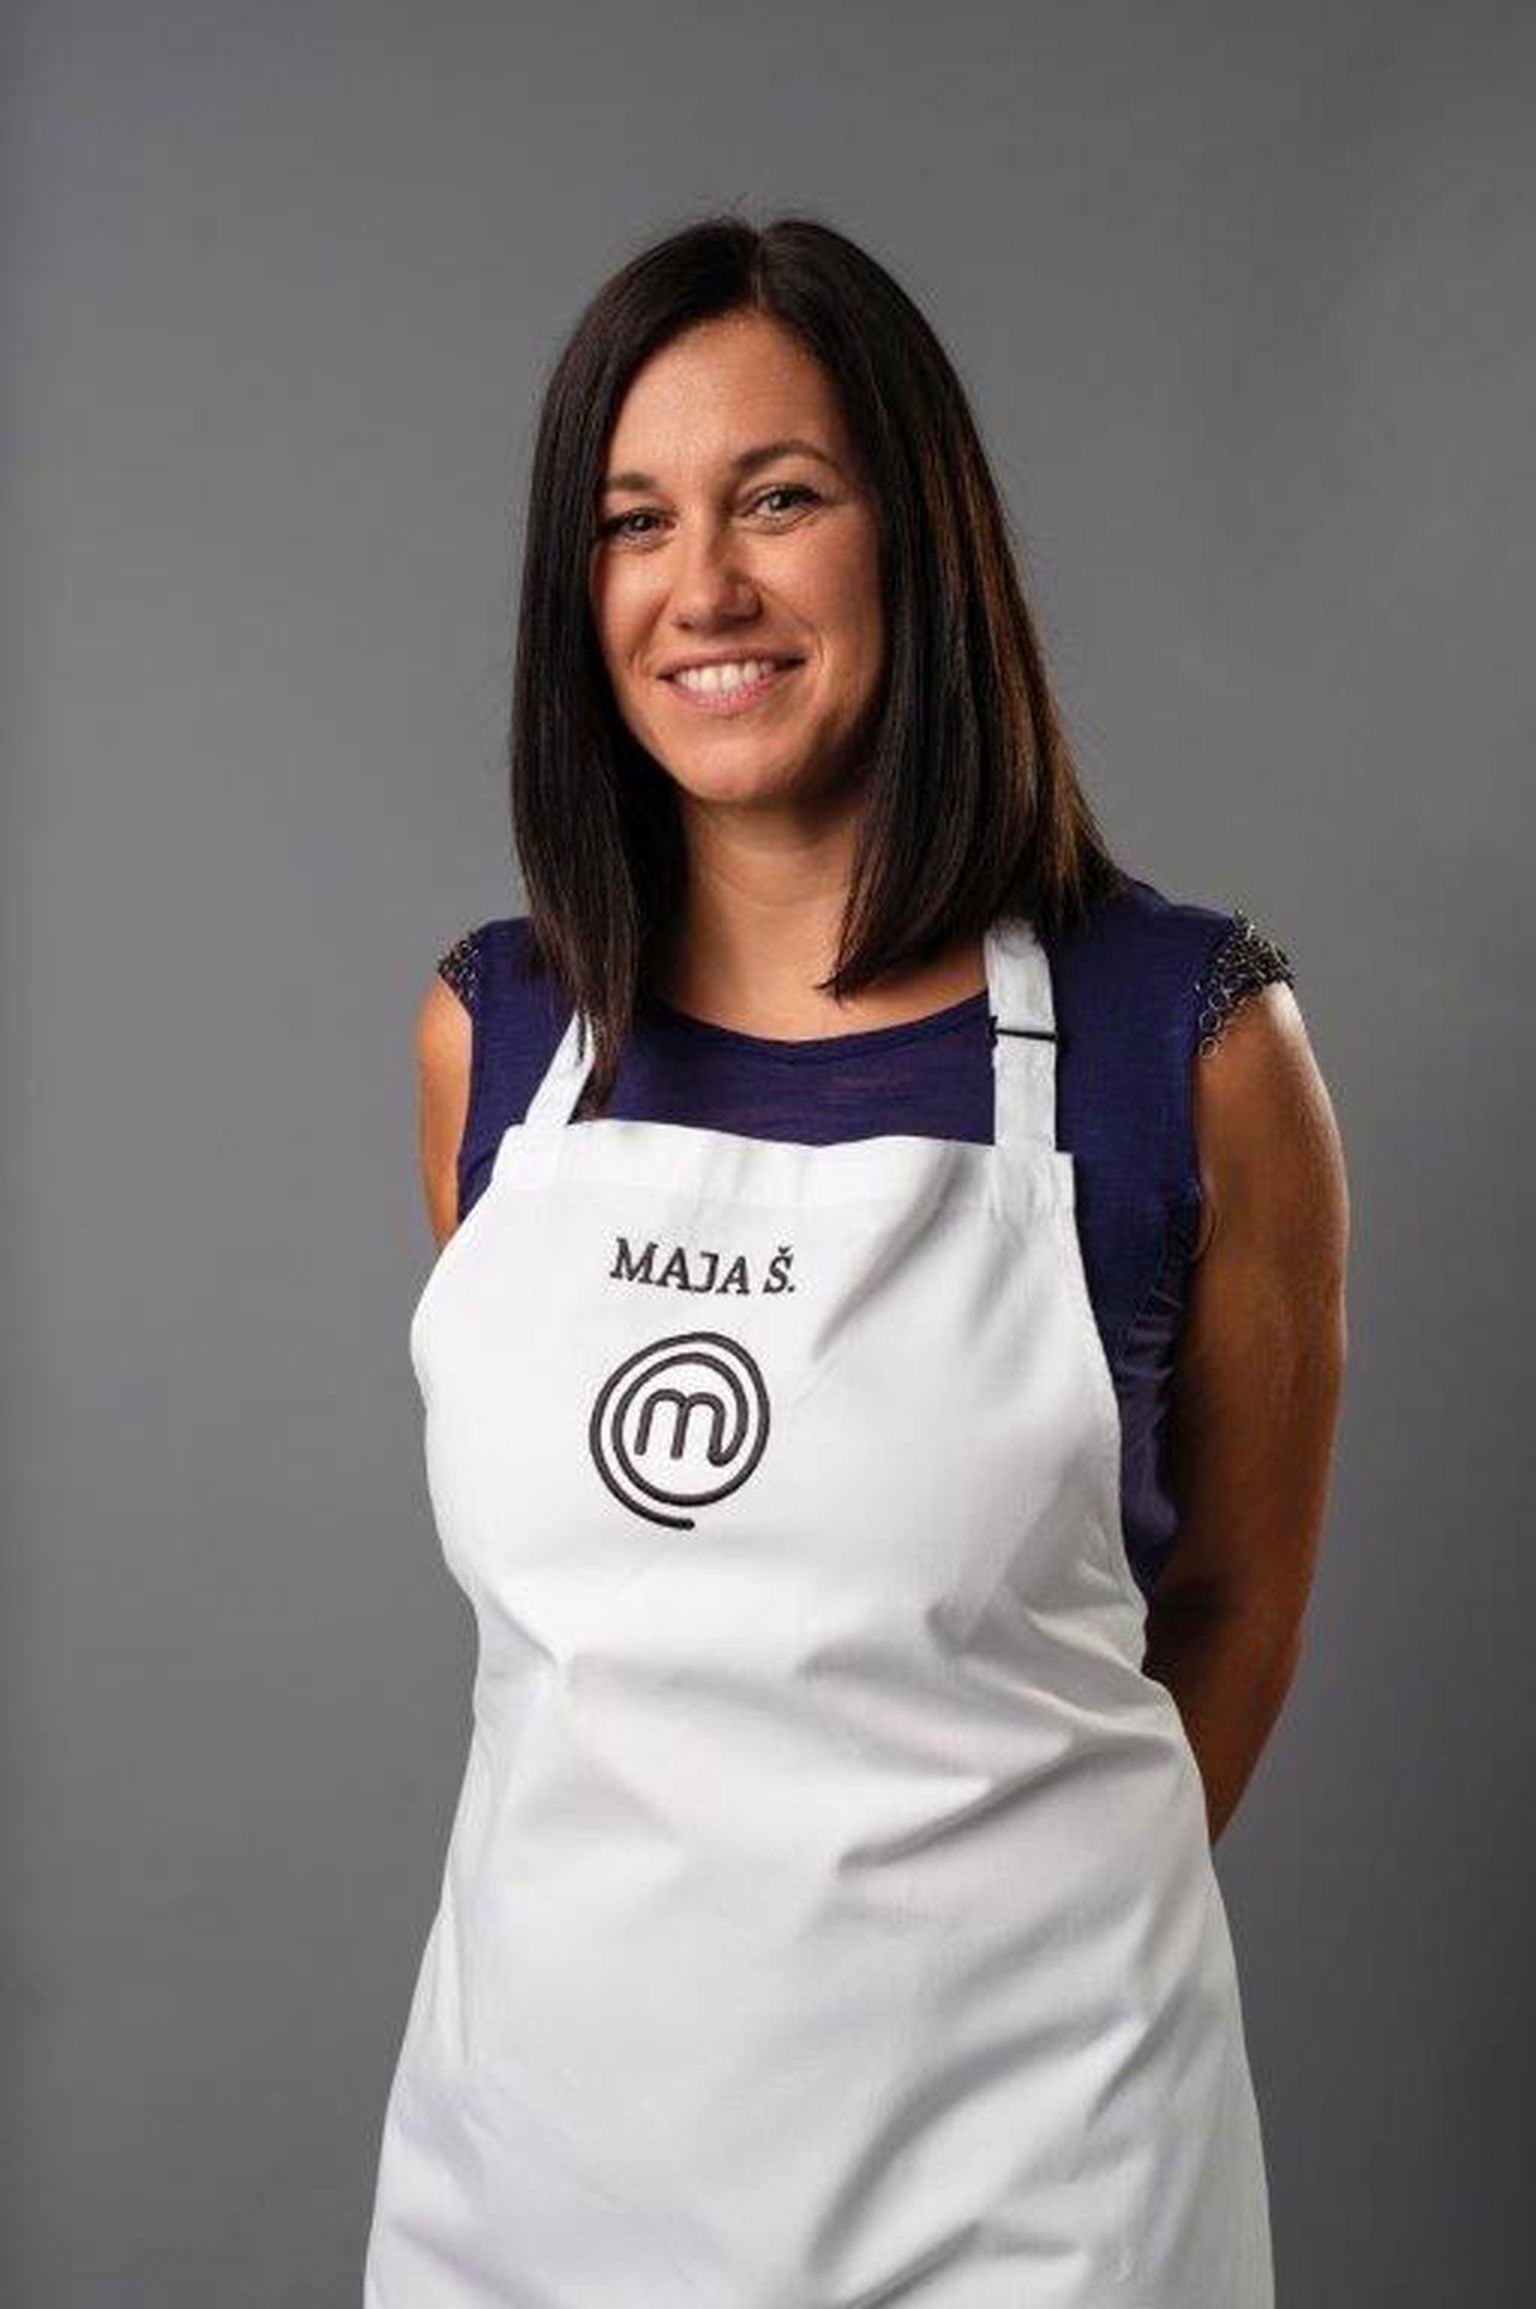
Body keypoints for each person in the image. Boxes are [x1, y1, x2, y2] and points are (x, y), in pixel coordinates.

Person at [363, 213, 1349, 2307]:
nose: (704, 587)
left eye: (780, 498)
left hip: (1032, 2198)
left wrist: (1018, 1980)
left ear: (921, 534)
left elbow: (1238, 1603)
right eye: (635, 522)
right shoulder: (496, 1039)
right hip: (530, 2185)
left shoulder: (1190, 1042)